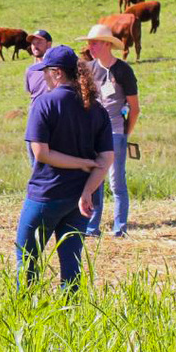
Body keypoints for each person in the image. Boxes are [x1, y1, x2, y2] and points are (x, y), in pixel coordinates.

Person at [17, 45, 114, 289]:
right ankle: (70, 316)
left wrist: (80, 163)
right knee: (71, 263)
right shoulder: (96, 108)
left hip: (47, 194)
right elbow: (106, 159)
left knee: (27, 260)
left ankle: (24, 312)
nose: (44, 76)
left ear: (58, 73)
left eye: (46, 72)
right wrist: (87, 190)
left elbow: (41, 153)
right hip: (78, 198)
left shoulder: (45, 103)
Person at [77, 24, 140, 238]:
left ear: (106, 44)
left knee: (116, 181)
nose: (90, 47)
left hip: (114, 131)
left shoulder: (123, 70)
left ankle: (119, 228)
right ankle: (91, 228)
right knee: (95, 179)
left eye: (94, 43)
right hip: (93, 133)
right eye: (89, 43)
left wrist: (125, 133)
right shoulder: (89, 68)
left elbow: (134, 107)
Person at [24, 29, 53, 164]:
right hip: (35, 116)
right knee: (34, 159)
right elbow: (31, 93)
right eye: (33, 43)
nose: (35, 45)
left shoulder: (57, 68)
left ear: (49, 44)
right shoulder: (30, 70)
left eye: (39, 42)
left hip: (53, 117)